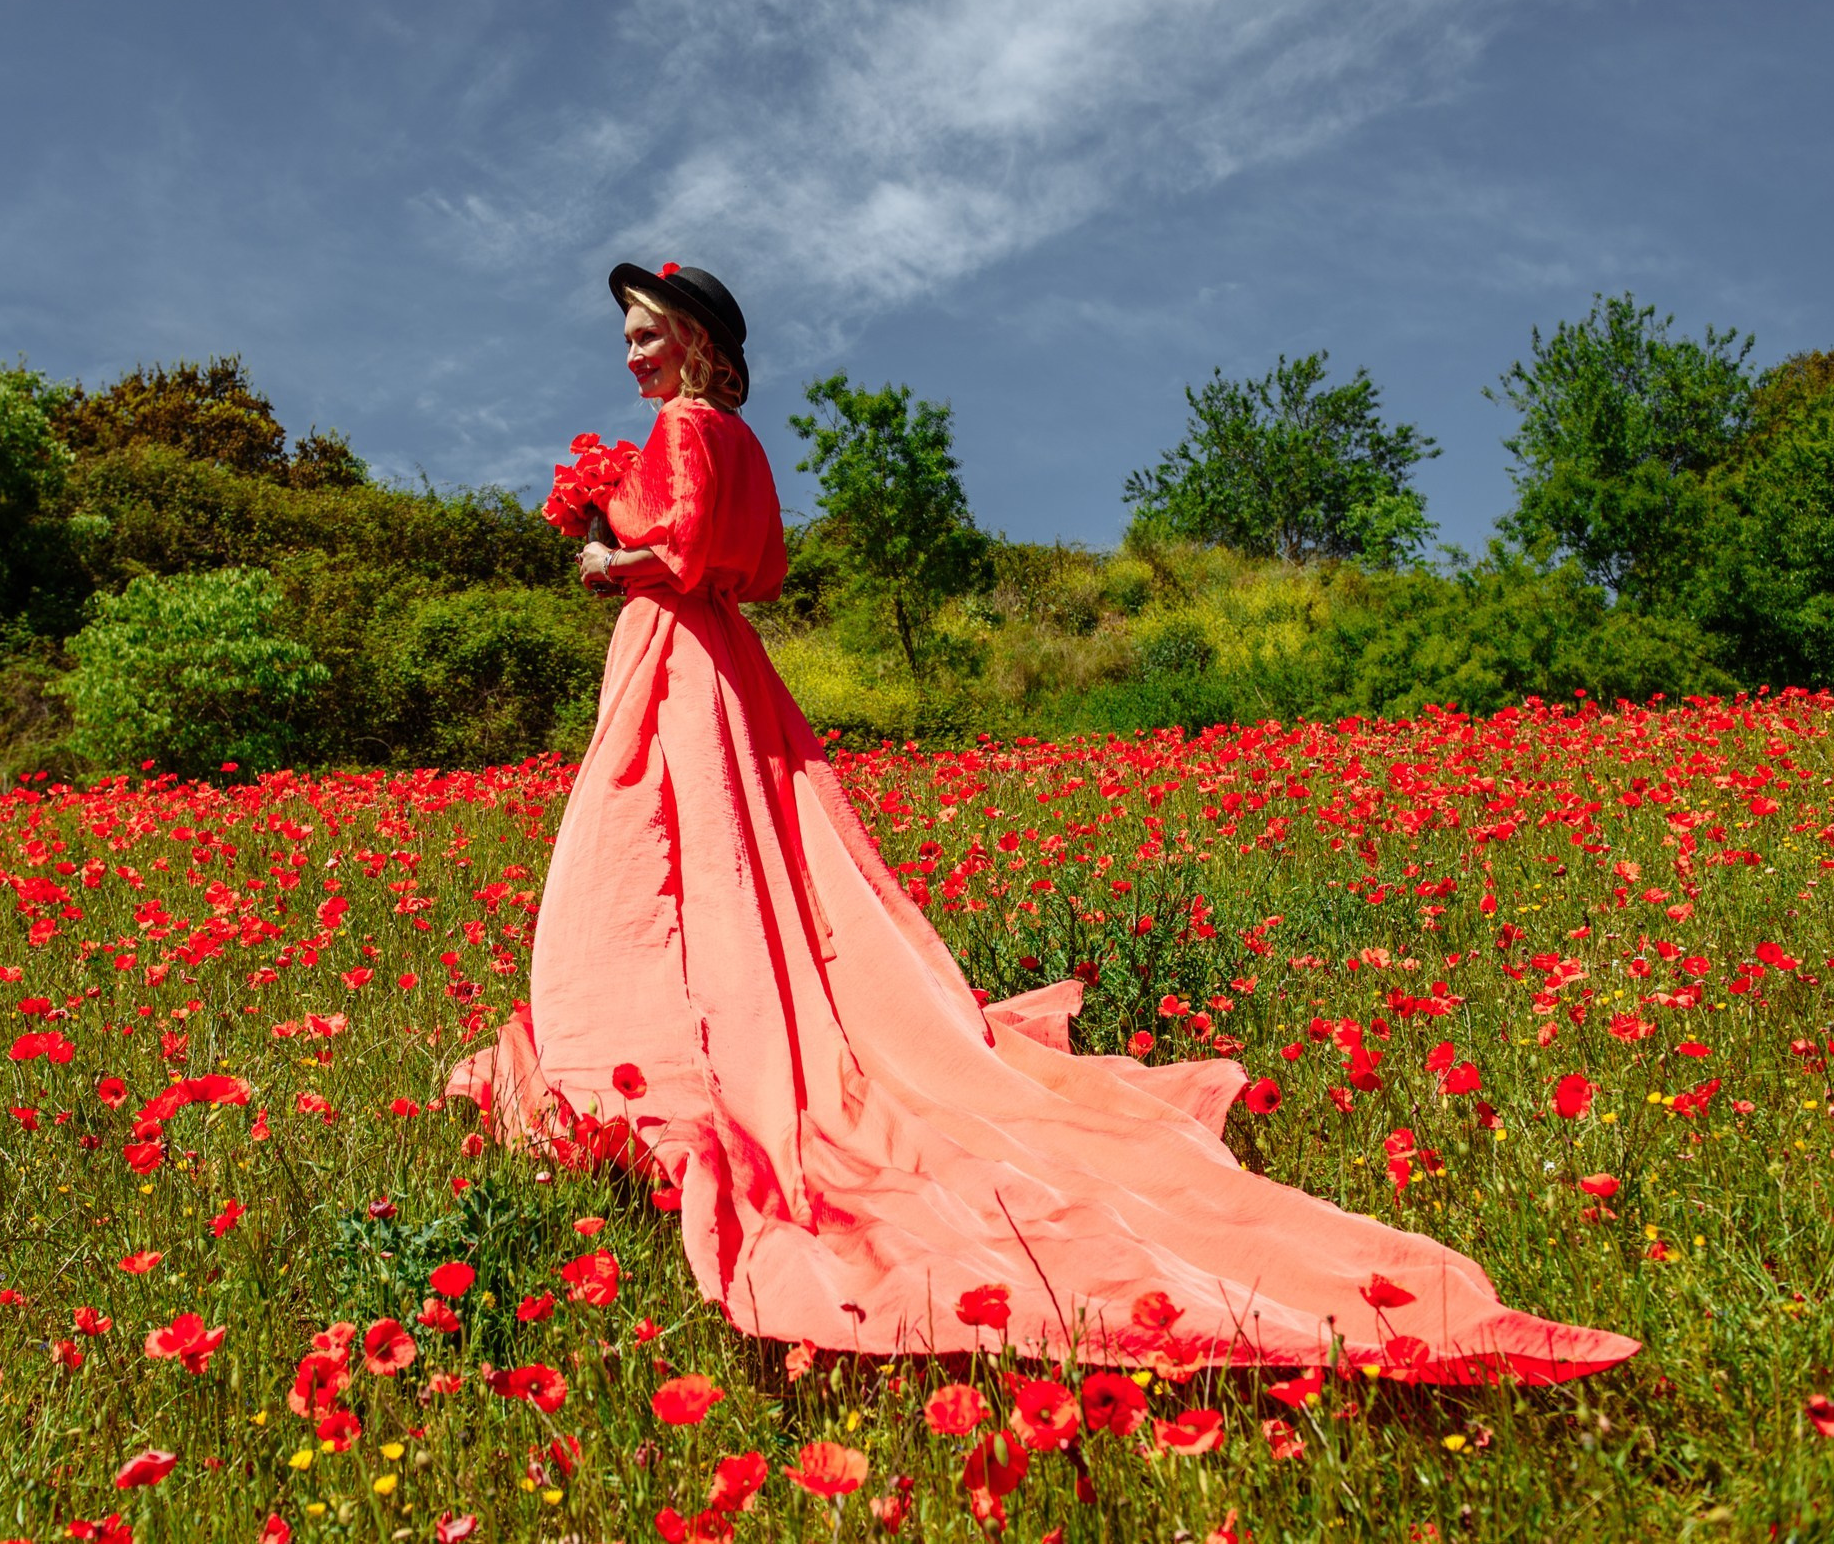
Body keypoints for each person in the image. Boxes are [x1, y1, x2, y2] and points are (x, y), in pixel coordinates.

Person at [451, 262, 1638, 1384]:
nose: (632, 354)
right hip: (718, 654)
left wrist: (613, 557)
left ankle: (661, 1040)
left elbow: (700, 550)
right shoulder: (732, 435)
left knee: (669, 846)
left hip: (680, 651)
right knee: (723, 847)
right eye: (625, 337)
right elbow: (751, 562)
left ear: (698, 341)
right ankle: (698, 1015)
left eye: (648, 333)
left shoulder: (690, 430)